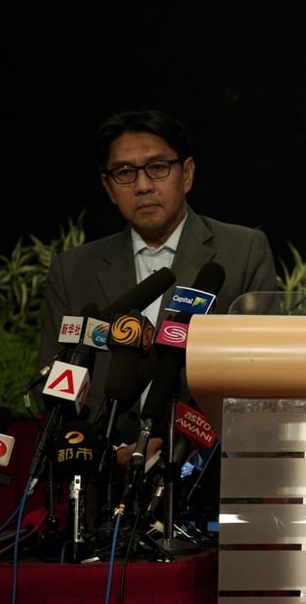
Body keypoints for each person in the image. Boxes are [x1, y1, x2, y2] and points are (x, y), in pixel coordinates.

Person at [36, 108, 277, 526]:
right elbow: (57, 382)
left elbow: (260, 372)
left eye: (157, 167)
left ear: (187, 173)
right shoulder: (73, 269)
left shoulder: (242, 253)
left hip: (207, 478)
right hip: (102, 486)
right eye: (125, 173)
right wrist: (108, 452)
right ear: (108, 187)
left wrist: (175, 446)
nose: (143, 185)